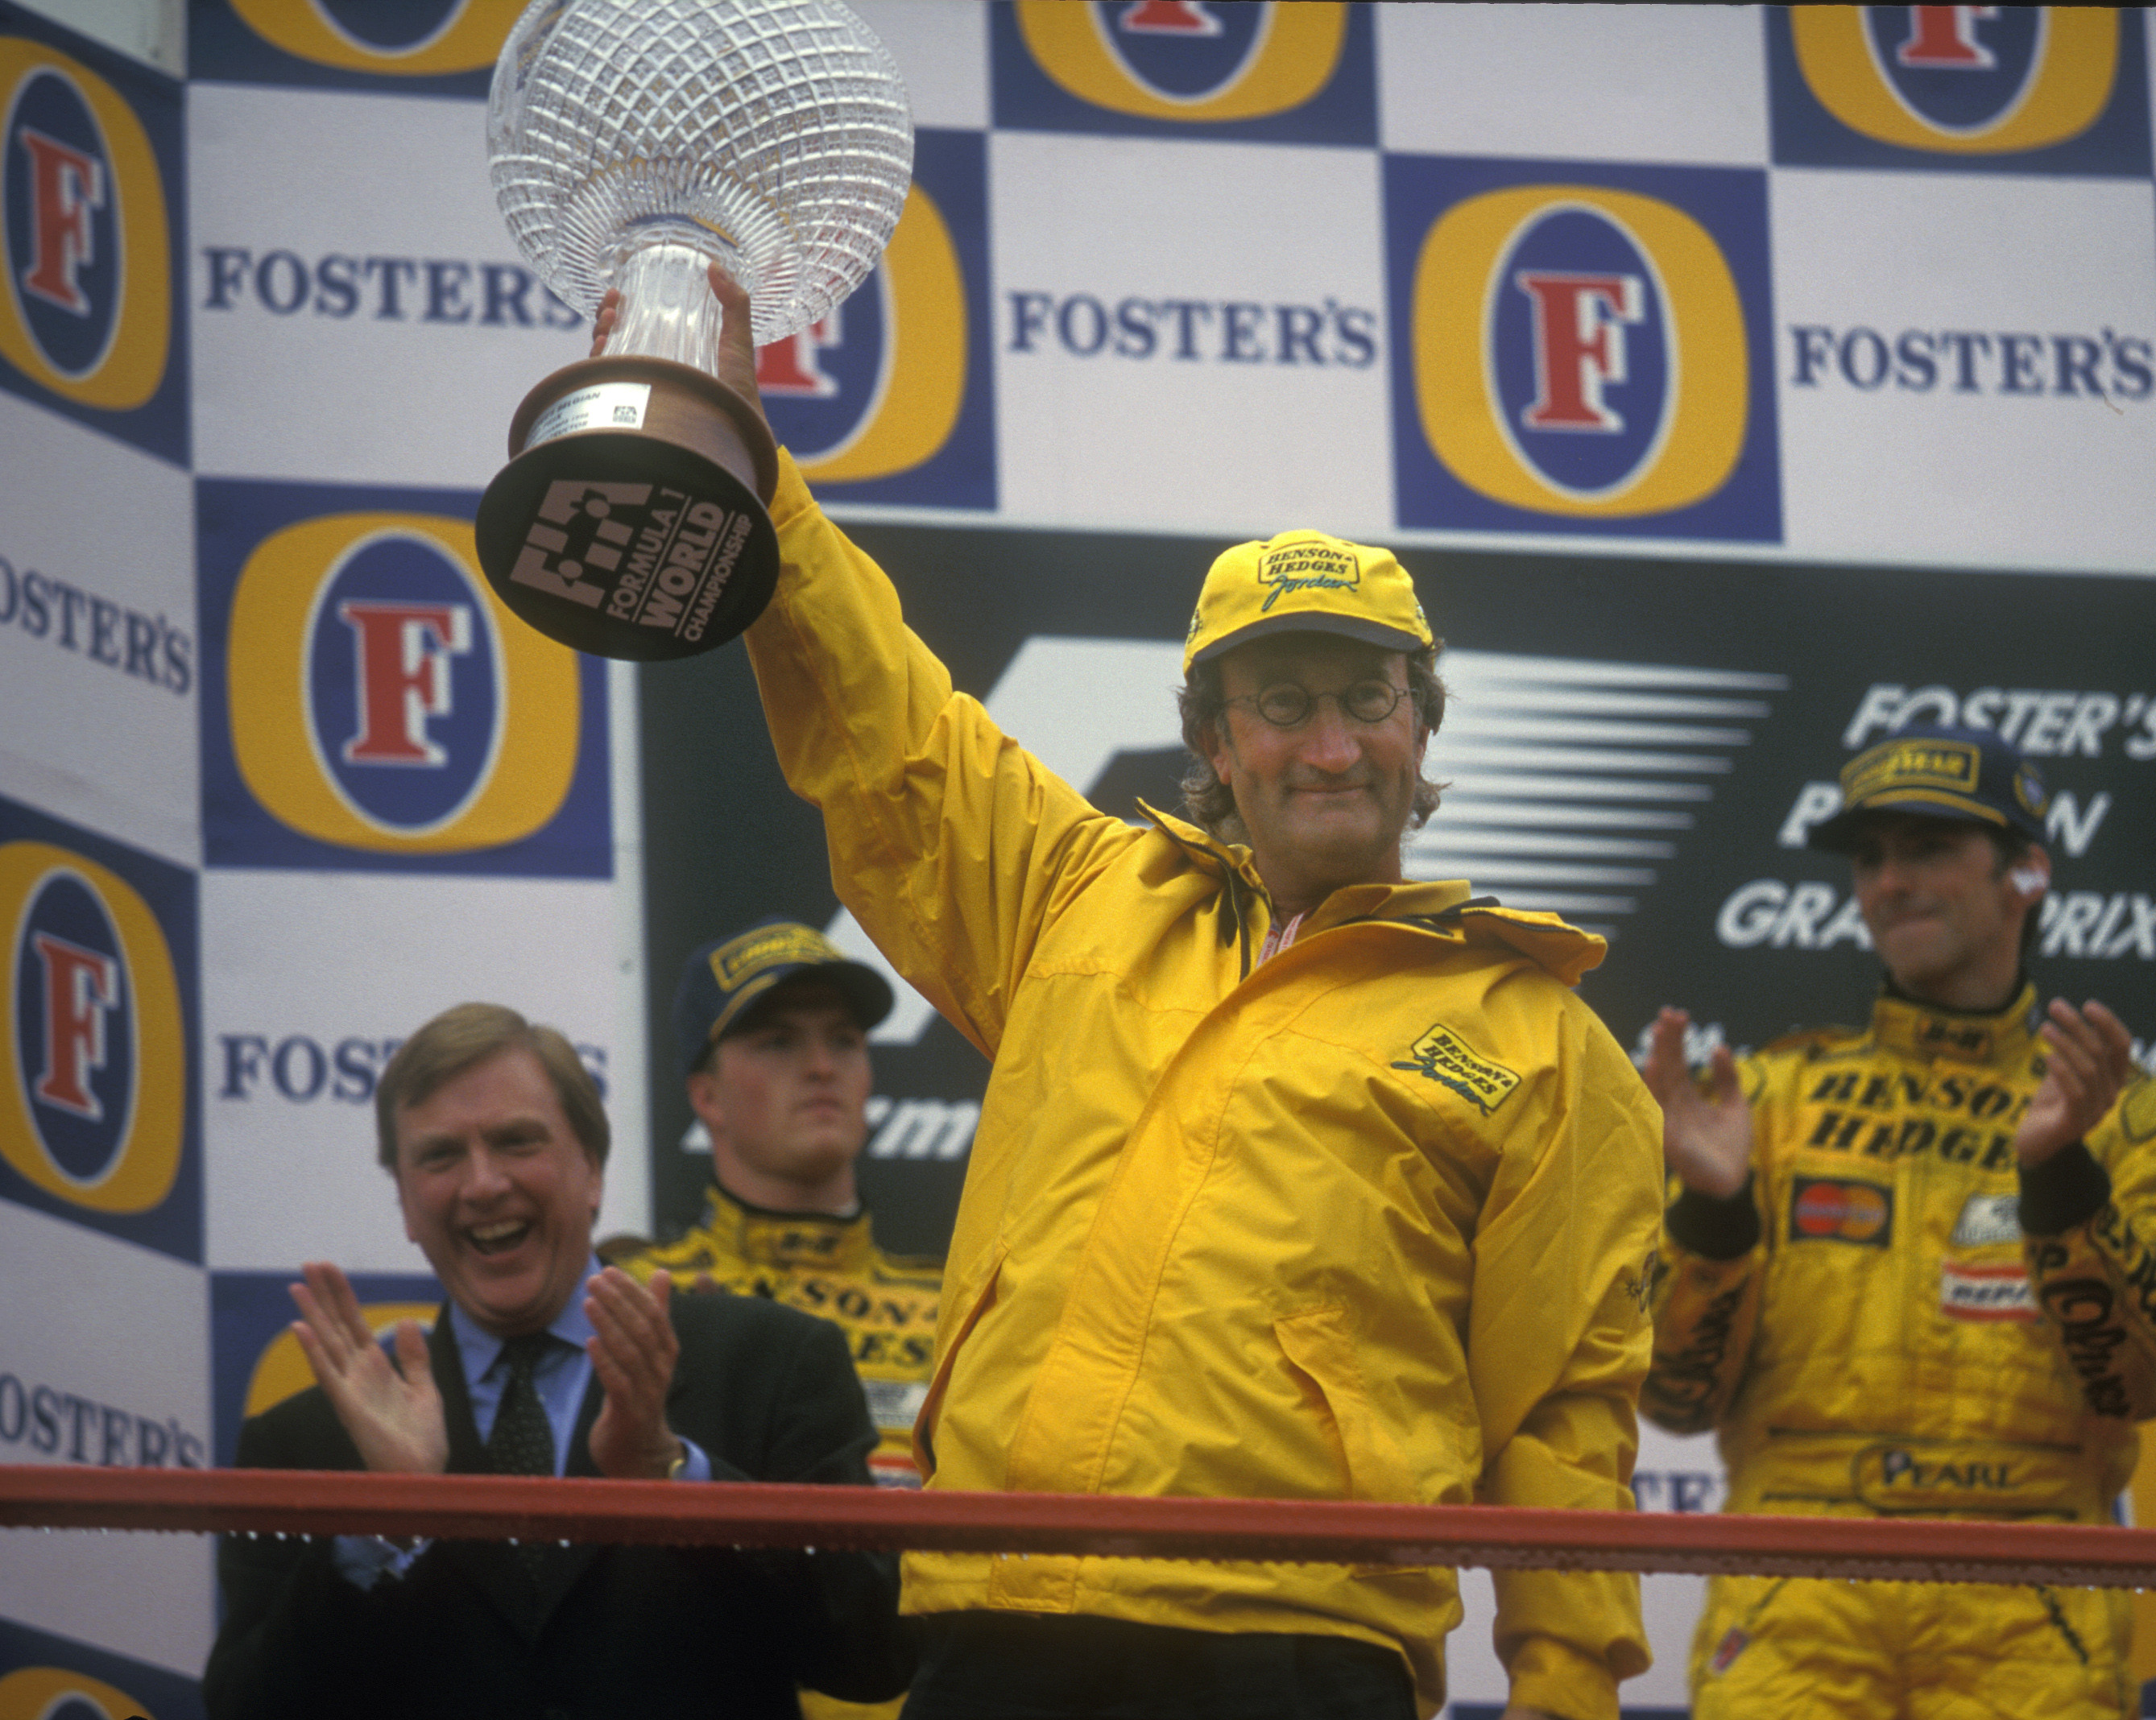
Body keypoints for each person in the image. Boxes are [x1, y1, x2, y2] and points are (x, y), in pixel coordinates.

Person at [609, 272, 1663, 1720]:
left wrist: (1562, 1688)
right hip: (995, 1606)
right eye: (1282, 704)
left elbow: (1564, 1408)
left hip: (1297, 1637)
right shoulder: (1076, 893)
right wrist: (754, 469)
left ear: (1423, 730)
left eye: (1368, 699)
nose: (1333, 745)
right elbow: (886, 728)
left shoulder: (1540, 1038)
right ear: (1215, 746)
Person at [1638, 724, 2156, 1719]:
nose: (1890, 881)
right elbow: (1673, 1399)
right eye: (1870, 857)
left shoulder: (2138, 1119)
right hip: (1798, 1584)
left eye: (1927, 848)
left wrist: (2061, 1183)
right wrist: (1713, 1216)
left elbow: (2153, 1377)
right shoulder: (1768, 1102)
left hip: (2032, 1591)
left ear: (2027, 873)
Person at [204, 1002, 911, 1720]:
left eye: (517, 1142)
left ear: (593, 1172)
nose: (483, 1184)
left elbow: (872, 1653)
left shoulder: (771, 1362)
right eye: (441, 1156)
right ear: (408, 1205)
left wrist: (674, 1478)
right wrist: (388, 1521)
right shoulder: (305, 1441)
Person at [609, 919, 941, 1493]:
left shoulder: (954, 1307)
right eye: (779, 1041)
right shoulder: (642, 1301)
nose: (820, 1066)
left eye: (843, 1040)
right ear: (706, 1095)